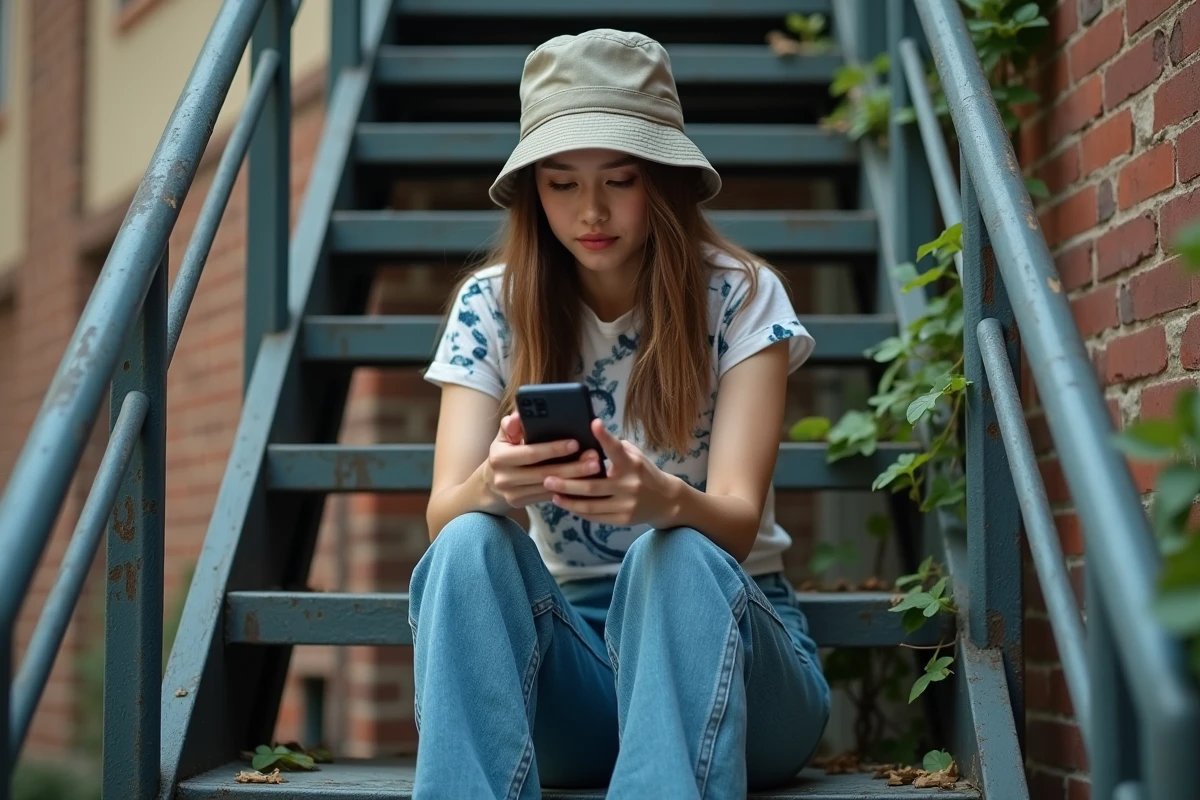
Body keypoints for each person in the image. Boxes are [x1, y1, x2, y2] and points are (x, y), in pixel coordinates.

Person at [412, 28, 830, 800]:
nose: (591, 210)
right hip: (573, 662)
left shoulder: (740, 293)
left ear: (663, 179)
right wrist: (495, 487)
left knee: (674, 554)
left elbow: (735, 521)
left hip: (729, 649)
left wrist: (664, 501)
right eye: (561, 182)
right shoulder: (490, 304)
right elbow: (443, 516)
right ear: (534, 188)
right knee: (470, 541)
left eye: (620, 178)